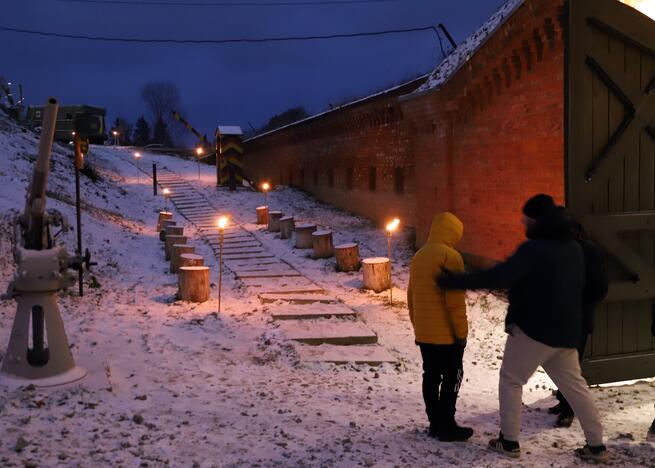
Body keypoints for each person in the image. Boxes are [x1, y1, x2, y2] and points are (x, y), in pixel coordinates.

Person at [438, 196, 607, 462]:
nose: (522, 222)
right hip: (566, 332)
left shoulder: (535, 249)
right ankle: (596, 446)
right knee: (575, 386)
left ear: (536, 221)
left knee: (511, 380)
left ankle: (509, 441)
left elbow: (499, 275)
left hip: (533, 330)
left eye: (525, 218)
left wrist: (455, 281)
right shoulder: (573, 247)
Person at [407, 212, 473, 442]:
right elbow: (454, 301)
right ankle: (447, 424)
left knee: (431, 375)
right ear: (454, 233)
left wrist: (419, 326)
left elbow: (411, 297)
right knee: (453, 375)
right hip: (447, 335)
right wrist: (461, 334)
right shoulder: (451, 256)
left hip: (425, 334)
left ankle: (434, 423)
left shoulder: (419, 256)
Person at [550, 221, 608, 428]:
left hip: (577, 319)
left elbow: (599, 289)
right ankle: (563, 401)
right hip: (560, 318)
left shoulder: (589, 252)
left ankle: (569, 409)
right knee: (559, 363)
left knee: (571, 368)